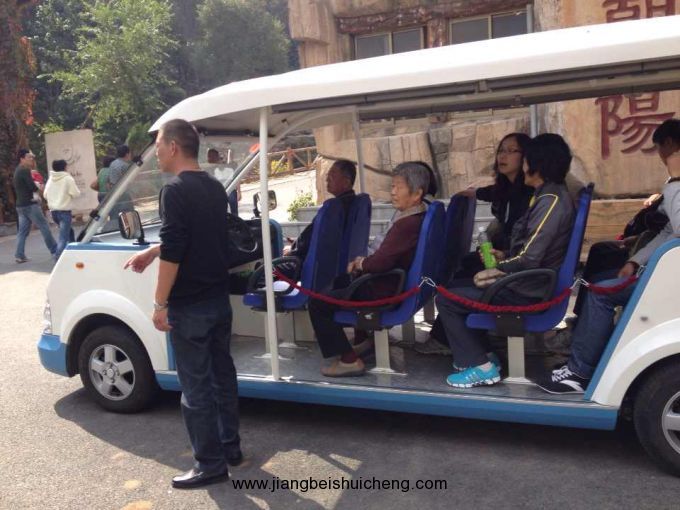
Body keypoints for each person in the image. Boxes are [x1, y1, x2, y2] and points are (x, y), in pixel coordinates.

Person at [123, 119, 241, 489]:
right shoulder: (213, 187)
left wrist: (159, 304)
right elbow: (197, 237)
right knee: (222, 376)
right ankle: (230, 447)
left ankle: (209, 465)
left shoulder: (174, 191)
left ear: (173, 146)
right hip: (218, 301)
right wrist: (153, 251)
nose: (156, 152)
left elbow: (176, 251)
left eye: (158, 144)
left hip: (190, 307)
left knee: (195, 388)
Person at [536, 119, 680, 394]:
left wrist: (674, 181)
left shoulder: (676, 182)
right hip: (666, 271)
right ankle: (583, 353)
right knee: (602, 271)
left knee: (601, 293)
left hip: (671, 278)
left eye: (662, 150)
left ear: (671, 145)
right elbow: (668, 231)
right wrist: (635, 261)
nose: (663, 158)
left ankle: (579, 373)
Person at [436, 134, 575, 388]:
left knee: (446, 299)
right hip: (527, 281)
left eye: (526, 159)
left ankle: (480, 366)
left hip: (526, 288)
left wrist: (497, 269)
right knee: (457, 287)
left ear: (539, 163)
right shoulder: (544, 196)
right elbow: (529, 249)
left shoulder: (550, 200)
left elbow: (530, 258)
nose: (523, 166)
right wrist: (504, 256)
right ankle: (482, 355)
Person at [308, 161, 431, 377]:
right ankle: (364, 339)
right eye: (392, 186)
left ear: (417, 193)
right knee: (339, 283)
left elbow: (380, 263)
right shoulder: (417, 215)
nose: (393, 192)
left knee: (318, 303)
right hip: (390, 283)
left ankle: (348, 360)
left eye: (399, 187)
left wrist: (361, 263)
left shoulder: (406, 225)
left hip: (382, 288)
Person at [421, 133, 533, 355]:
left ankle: (449, 341)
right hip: (504, 258)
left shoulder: (530, 195)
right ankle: (465, 337)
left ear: (527, 158)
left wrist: (502, 256)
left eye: (512, 151)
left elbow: (525, 246)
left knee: (455, 286)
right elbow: (492, 192)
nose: (503, 156)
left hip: (515, 269)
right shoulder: (507, 189)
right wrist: (474, 192)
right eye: (501, 150)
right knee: (466, 264)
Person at [284, 159, 357, 261]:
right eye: (328, 175)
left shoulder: (333, 209)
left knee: (268, 268)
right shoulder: (355, 204)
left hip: (316, 263)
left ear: (346, 182)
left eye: (332, 175)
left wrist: (292, 250)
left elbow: (310, 237)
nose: (327, 179)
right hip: (337, 259)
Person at [13, 149, 57, 263]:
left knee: (22, 232)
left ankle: (19, 255)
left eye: (31, 157)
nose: (31, 159)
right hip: (30, 205)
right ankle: (55, 251)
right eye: (29, 157)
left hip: (20, 206)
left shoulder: (18, 170)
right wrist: (40, 187)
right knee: (44, 226)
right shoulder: (24, 170)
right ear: (22, 159)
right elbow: (32, 187)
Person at [44, 159, 81, 259]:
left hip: (54, 212)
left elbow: (45, 194)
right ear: (64, 167)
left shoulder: (51, 179)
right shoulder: (68, 179)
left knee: (69, 231)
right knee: (63, 237)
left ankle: (73, 251)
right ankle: (58, 256)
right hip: (64, 212)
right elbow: (75, 193)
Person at [207, 148, 240, 216]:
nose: (221, 162)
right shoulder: (213, 170)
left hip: (231, 190)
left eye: (222, 161)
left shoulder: (230, 169)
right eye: (219, 161)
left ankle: (236, 220)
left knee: (233, 207)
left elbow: (236, 180)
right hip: (219, 191)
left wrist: (239, 192)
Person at [108, 145, 135, 221]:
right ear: (127, 154)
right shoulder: (125, 166)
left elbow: (109, 180)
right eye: (130, 153)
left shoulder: (112, 164)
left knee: (115, 216)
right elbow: (130, 181)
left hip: (113, 193)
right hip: (123, 194)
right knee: (128, 215)